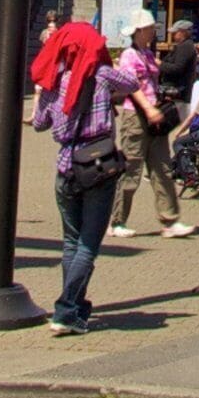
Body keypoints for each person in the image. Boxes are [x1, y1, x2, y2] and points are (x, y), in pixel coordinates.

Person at [31, 23, 135, 335]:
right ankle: (65, 309)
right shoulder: (102, 75)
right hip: (98, 165)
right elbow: (131, 83)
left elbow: (38, 123)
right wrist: (106, 65)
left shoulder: (54, 81)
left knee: (70, 242)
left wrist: (44, 94)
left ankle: (75, 310)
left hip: (66, 166)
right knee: (88, 244)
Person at [110, 17, 198, 240]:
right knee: (131, 168)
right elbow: (132, 86)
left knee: (162, 169)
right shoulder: (129, 55)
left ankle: (170, 220)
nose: (153, 32)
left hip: (155, 116)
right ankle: (117, 221)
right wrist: (148, 109)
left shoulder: (148, 54)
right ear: (139, 30)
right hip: (137, 116)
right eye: (150, 29)